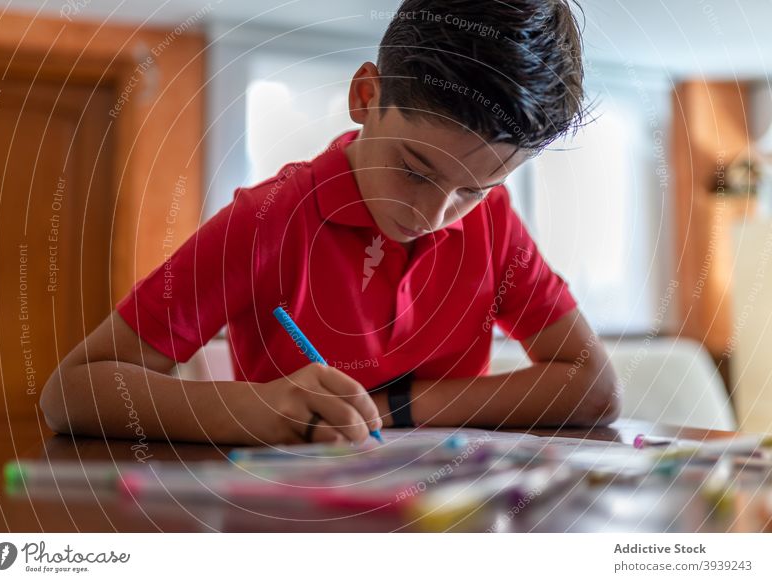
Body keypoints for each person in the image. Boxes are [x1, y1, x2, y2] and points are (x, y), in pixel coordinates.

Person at [40, 0, 619, 446]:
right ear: (366, 95)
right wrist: (256, 409)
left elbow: (594, 389)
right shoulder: (267, 219)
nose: (434, 216)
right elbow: (71, 393)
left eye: (473, 189)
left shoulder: (493, 222)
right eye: (414, 171)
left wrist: (392, 406)